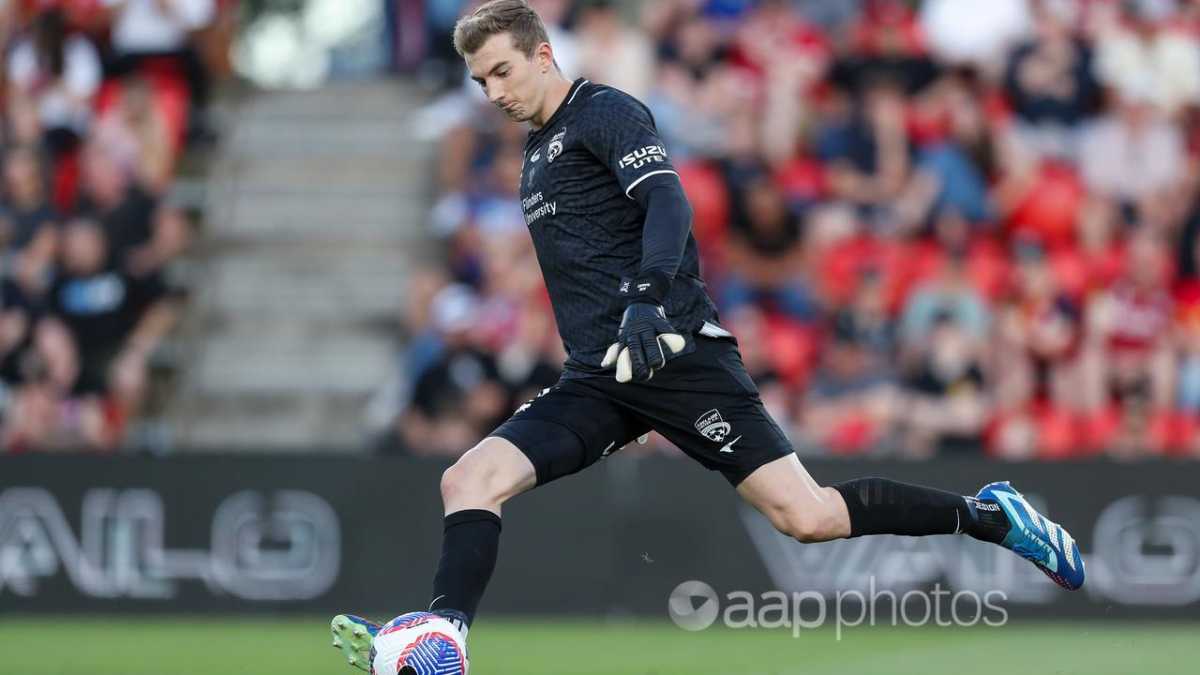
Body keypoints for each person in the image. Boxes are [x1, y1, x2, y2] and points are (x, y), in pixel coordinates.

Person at [330, 2, 1085, 671]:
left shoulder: (604, 111)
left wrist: (651, 302)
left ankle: (991, 514)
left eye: (501, 71)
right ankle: (444, 643)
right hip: (601, 378)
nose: (493, 92)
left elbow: (666, 202)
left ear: (542, 55)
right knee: (468, 478)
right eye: (480, 81)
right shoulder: (534, 153)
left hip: (676, 353)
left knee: (809, 517)